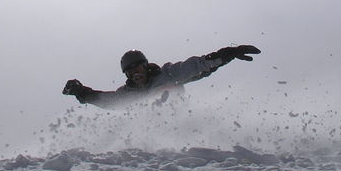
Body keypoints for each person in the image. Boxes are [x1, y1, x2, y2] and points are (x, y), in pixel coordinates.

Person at [62, 45, 261, 109]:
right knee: (134, 107)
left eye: (138, 67)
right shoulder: (129, 92)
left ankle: (166, 108)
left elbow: (197, 66)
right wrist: (82, 92)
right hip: (153, 127)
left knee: (166, 89)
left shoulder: (167, 74)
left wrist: (228, 53)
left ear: (146, 65)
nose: (135, 73)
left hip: (179, 117)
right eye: (130, 72)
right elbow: (108, 101)